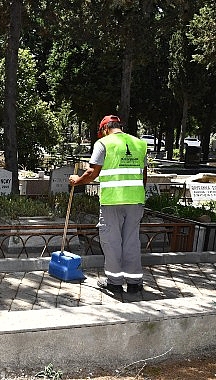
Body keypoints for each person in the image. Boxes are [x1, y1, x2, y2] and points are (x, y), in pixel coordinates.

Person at [68, 115, 147, 294]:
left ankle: (114, 282)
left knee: (111, 241)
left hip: (113, 200)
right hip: (135, 200)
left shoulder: (103, 143)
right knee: (131, 241)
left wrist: (76, 180)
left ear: (104, 129)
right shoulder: (139, 144)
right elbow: (143, 175)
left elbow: (92, 172)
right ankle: (134, 283)